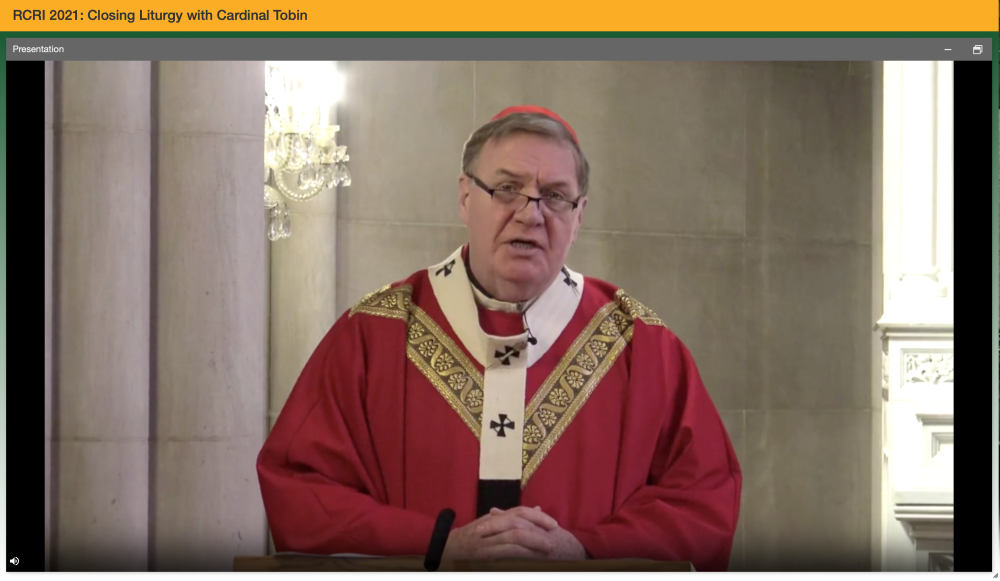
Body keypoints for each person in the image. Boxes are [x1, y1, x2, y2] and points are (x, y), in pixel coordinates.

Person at [256, 105, 742, 571]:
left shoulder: (641, 346)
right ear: (466, 197)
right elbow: (301, 489)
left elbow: (702, 499)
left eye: (555, 195)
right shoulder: (375, 333)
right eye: (507, 188)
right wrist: (439, 546)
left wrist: (586, 553)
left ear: (580, 216)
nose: (531, 214)